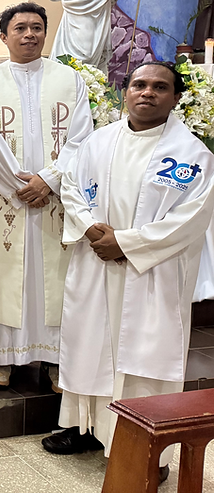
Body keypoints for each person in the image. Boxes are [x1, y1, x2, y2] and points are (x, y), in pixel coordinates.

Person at [43, 62, 214, 475]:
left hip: (152, 273)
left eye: (160, 87)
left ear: (175, 98)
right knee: (90, 347)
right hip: (95, 261)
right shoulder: (97, 142)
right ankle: (83, 428)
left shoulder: (193, 156)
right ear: (125, 92)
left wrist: (126, 243)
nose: (147, 93)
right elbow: (71, 187)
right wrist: (90, 228)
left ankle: (149, 446)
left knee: (143, 360)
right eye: (139, 84)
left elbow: (190, 220)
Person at [0, 3, 93, 392]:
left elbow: (80, 139)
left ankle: (57, 360)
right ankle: (2, 358)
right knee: (4, 273)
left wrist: (49, 180)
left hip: (55, 198)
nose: (30, 34)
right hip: (3, 197)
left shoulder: (69, 80)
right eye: (21, 28)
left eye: (38, 27)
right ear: (4, 36)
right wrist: (17, 186)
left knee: (55, 276)